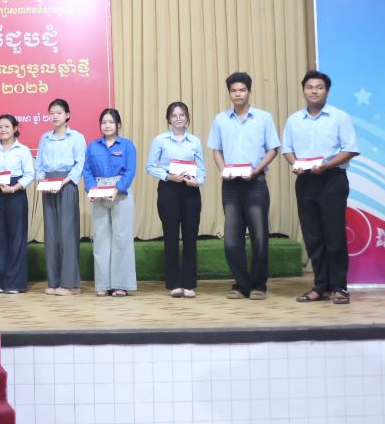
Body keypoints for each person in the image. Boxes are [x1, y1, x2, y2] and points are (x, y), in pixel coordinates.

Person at [282, 70, 360, 305]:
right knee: (312, 236)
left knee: (334, 235)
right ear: (303, 90)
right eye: (310, 87)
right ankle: (320, 286)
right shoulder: (294, 120)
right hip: (305, 180)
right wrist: (295, 164)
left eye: (319, 87)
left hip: (332, 180)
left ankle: (339, 287)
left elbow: (350, 149)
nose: (314, 91)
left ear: (327, 91)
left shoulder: (339, 117)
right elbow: (287, 149)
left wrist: (327, 165)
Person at [207, 72, 280, 301]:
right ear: (229, 93)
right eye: (233, 91)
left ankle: (258, 285)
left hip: (255, 183)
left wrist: (257, 170)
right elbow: (216, 150)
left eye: (242, 90)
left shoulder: (264, 118)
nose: (238, 94)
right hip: (231, 186)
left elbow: (273, 149)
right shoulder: (220, 120)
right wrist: (223, 170)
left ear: (249, 91)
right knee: (231, 240)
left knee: (259, 236)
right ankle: (241, 284)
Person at [147, 102, 207, 298]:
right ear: (169, 119)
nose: (178, 118)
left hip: (190, 191)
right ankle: (174, 283)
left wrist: (197, 181)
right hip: (169, 190)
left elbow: (202, 169)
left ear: (187, 117)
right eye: (174, 115)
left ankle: (189, 283)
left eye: (182, 115)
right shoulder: (160, 140)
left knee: (190, 236)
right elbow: (150, 166)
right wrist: (168, 176)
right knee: (171, 236)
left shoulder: (195, 141)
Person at [83, 109, 138, 297]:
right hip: (99, 192)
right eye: (104, 122)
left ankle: (120, 284)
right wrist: (91, 189)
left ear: (118, 125)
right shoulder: (93, 146)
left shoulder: (127, 145)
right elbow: (87, 171)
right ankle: (103, 284)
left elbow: (130, 170)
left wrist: (118, 189)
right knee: (100, 238)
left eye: (111, 122)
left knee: (121, 237)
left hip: (120, 192)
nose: (107, 126)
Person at [35, 99, 87, 296]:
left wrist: (63, 182)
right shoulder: (45, 138)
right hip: (48, 186)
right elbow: (39, 165)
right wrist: (43, 181)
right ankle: (55, 282)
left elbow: (80, 163)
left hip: (67, 185)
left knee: (67, 233)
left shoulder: (76, 137)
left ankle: (71, 285)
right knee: (51, 234)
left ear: (67, 115)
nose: (54, 116)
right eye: (51, 113)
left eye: (58, 112)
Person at [0, 114, 35, 294]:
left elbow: (29, 174)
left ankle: (15, 283)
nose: (3, 130)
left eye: (7, 126)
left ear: (15, 128)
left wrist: (14, 188)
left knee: (16, 238)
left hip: (16, 195)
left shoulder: (23, 150)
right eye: (0, 127)